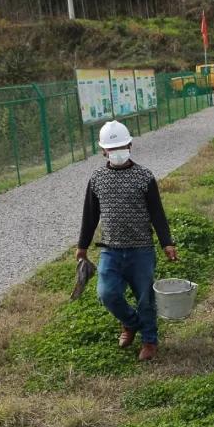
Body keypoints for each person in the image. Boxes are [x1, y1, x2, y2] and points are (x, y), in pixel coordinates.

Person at [76, 120, 177, 361]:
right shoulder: (98, 179)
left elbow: (157, 214)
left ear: (130, 145)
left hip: (141, 250)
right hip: (110, 251)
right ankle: (131, 323)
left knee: (145, 298)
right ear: (103, 151)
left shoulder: (144, 177)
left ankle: (150, 341)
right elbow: (90, 215)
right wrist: (82, 247)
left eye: (121, 146)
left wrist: (167, 243)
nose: (117, 152)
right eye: (112, 149)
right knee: (107, 294)